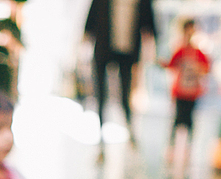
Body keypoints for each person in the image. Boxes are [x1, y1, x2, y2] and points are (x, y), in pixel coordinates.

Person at [85, 0, 156, 137]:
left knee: (125, 93)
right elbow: (91, 18)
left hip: (128, 51)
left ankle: (129, 128)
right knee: (101, 93)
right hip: (104, 48)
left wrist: (151, 49)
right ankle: (101, 129)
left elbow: (149, 23)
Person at [165, 18, 211, 164]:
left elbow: (206, 68)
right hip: (180, 91)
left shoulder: (198, 53)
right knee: (178, 119)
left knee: (189, 120)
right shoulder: (180, 50)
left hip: (192, 92)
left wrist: (198, 70)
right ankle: (173, 148)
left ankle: (188, 149)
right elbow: (171, 65)